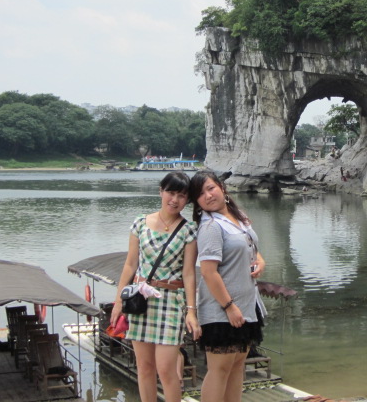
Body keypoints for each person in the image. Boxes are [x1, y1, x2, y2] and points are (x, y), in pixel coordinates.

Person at [110, 171, 201, 402]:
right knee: (144, 367)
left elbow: (189, 273)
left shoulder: (189, 229)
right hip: (141, 301)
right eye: (171, 193)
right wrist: (118, 301)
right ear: (161, 191)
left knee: (167, 370)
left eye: (181, 195)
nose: (175, 200)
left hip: (171, 301)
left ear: (187, 200)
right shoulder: (140, 223)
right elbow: (130, 264)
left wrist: (191, 311)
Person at [188, 170, 267, 402]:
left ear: (222, 187)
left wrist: (260, 261)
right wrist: (229, 306)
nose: (208, 196)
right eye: (200, 194)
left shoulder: (237, 217)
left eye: (211, 188)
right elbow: (208, 272)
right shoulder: (211, 226)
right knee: (220, 370)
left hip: (246, 305)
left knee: (237, 367)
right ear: (197, 202)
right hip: (223, 310)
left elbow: (250, 247)